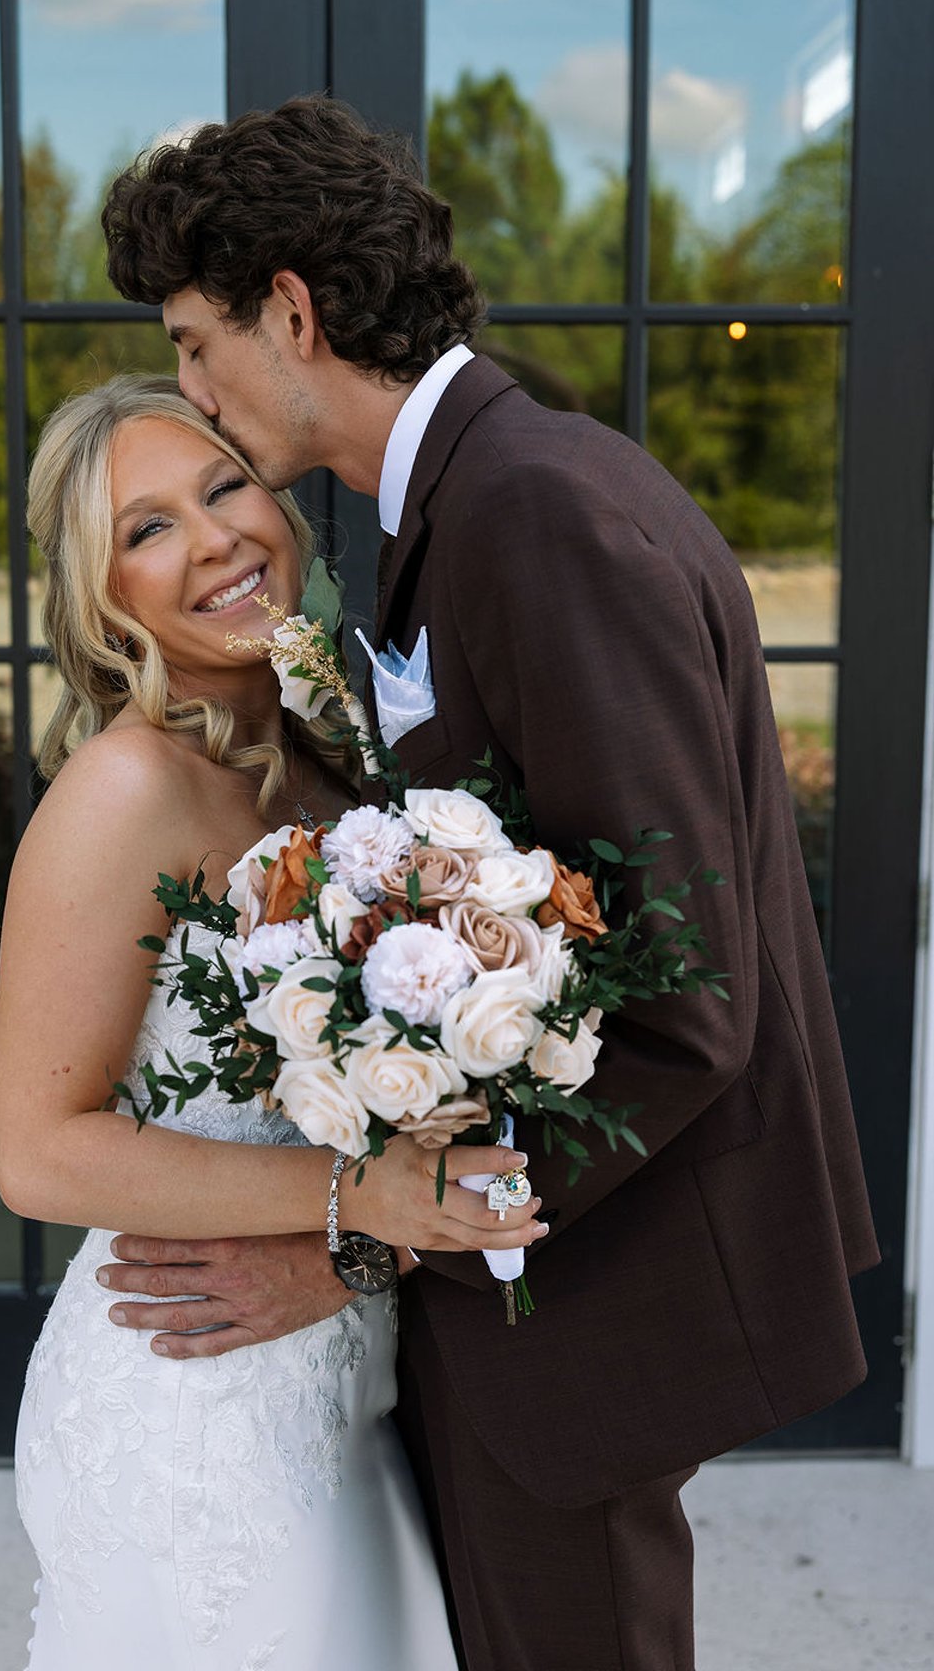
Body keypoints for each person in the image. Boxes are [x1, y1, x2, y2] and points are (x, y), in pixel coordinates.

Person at [95, 96, 880, 1671]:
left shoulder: (532, 511)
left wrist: (371, 1240)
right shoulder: (474, 498)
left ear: (291, 312)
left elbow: (679, 1001)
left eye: (193, 343)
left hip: (589, 1293)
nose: (194, 391)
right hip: (530, 1286)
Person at [0, 372, 544, 1671]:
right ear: (100, 599)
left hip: (343, 1372)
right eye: (148, 528)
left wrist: (376, 1235)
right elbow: (40, 1153)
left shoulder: (332, 760)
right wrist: (365, 1202)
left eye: (223, 486)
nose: (214, 539)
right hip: (198, 1410)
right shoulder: (125, 786)